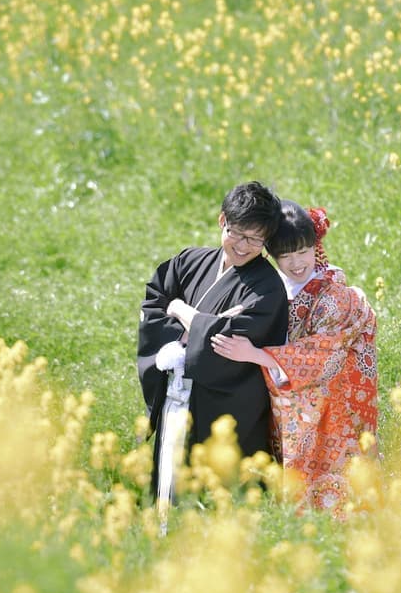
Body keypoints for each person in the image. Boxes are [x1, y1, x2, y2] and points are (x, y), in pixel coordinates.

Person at [211, 202, 378, 512]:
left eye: (303, 251)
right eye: (285, 256)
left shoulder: (336, 297)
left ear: (316, 245)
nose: (296, 263)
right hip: (294, 399)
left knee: (339, 488)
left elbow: (324, 355)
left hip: (333, 400)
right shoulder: (276, 287)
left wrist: (256, 354)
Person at [137, 181, 289, 511]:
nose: (244, 245)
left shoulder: (267, 288)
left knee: (223, 495)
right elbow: (154, 302)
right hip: (176, 399)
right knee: (168, 488)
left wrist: (182, 310)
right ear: (223, 221)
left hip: (230, 409)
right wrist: (196, 328)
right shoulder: (189, 262)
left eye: (256, 239)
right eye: (238, 232)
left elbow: (227, 336)